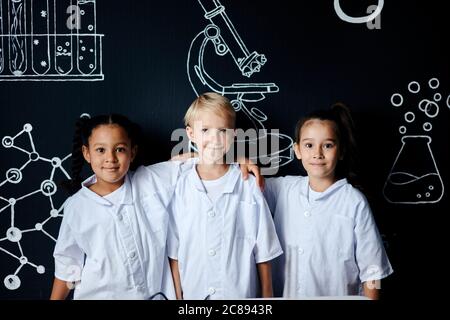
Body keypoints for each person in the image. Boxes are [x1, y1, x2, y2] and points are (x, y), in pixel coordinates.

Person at [50, 113, 263, 300]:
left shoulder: (153, 180)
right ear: (87, 153)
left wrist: (237, 161)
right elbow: (67, 266)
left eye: (120, 149)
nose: (110, 159)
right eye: (100, 150)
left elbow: (200, 160)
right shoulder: (76, 207)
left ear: (132, 152)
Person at [264, 103, 393, 299]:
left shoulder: (353, 202)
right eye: (309, 145)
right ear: (297, 150)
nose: (318, 153)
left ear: (340, 151)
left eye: (328, 145)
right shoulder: (284, 189)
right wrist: (242, 161)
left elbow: (373, 269)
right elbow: (245, 181)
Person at [167, 92, 283, 300]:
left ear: (234, 134)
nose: (215, 138)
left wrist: (268, 298)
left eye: (223, 130)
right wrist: (178, 296)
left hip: (239, 296)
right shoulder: (179, 185)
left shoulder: (247, 184)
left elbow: (263, 249)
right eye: (205, 130)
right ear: (190, 134)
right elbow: (174, 251)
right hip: (194, 295)